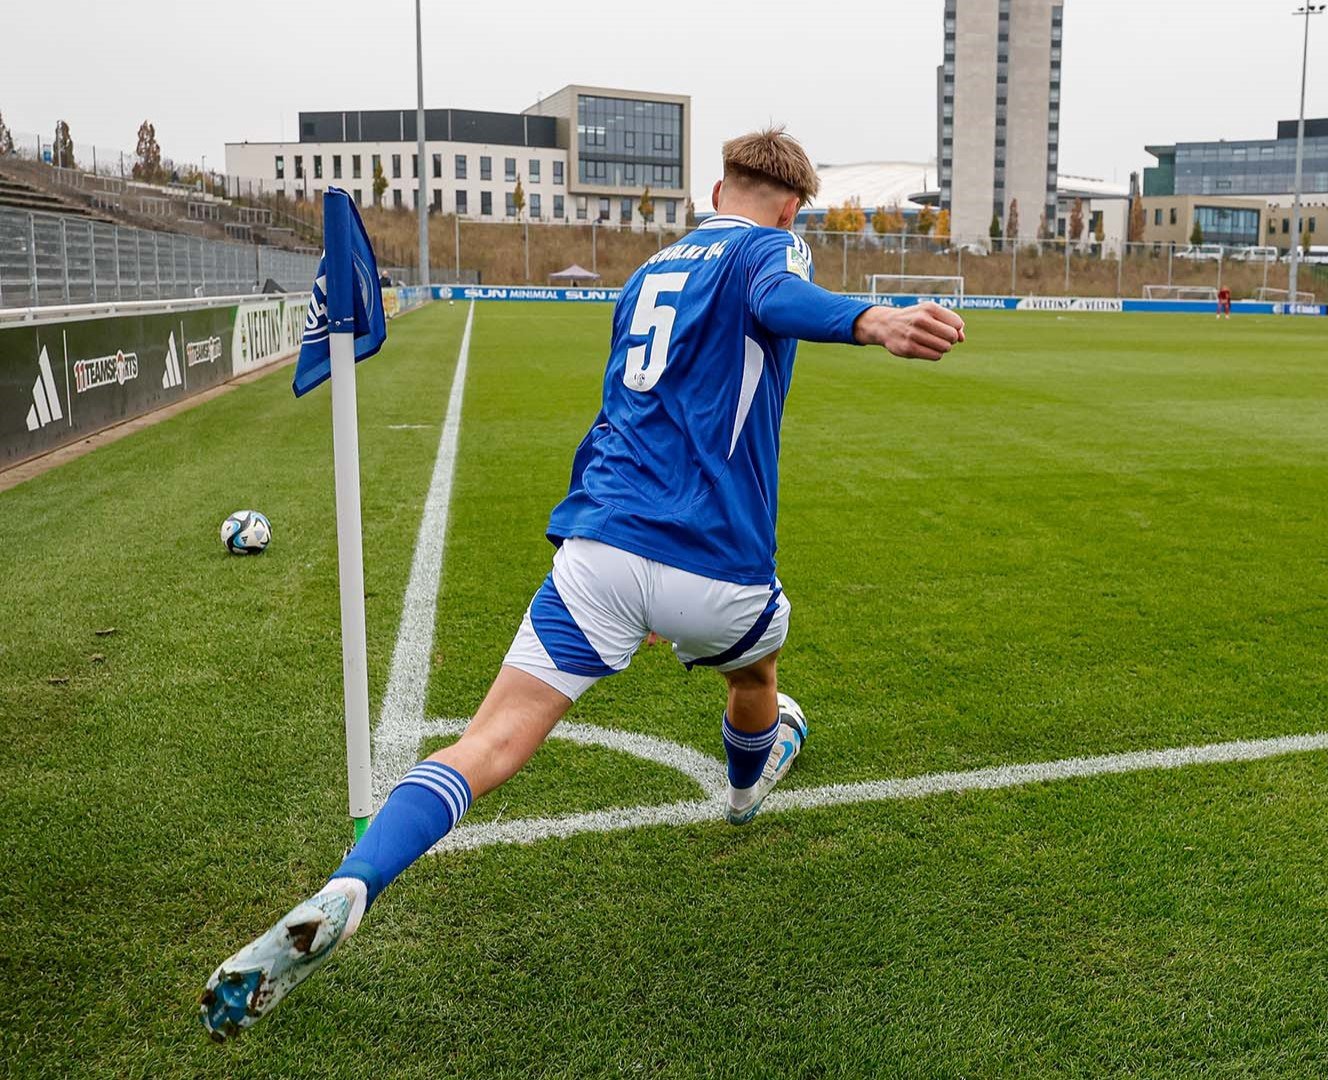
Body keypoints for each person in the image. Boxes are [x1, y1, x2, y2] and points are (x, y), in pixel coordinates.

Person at [198, 128, 969, 1041]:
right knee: (756, 674)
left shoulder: (648, 275)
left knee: (489, 741)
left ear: (716, 190)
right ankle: (747, 783)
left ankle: (350, 884)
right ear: (790, 207)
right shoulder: (770, 247)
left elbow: (614, 415)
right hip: (716, 568)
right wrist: (872, 319)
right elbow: (779, 291)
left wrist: (590, 544)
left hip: (600, 548)